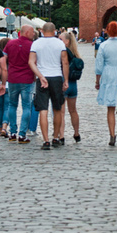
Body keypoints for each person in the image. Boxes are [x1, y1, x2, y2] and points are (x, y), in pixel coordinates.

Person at [29, 22, 69, 150]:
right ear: (54, 31)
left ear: (42, 30)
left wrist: (40, 76)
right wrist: (66, 80)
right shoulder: (59, 43)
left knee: (43, 110)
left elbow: (31, 62)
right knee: (57, 109)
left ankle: (45, 140)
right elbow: (65, 62)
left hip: (43, 78)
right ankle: (56, 137)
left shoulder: (36, 43)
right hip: (56, 77)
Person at [3, 25, 36, 144]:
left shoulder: (10, 44)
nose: (34, 34)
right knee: (26, 106)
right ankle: (22, 134)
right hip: (27, 79)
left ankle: (12, 132)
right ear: (27, 32)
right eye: (32, 32)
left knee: (12, 105)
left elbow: (3, 59)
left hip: (12, 78)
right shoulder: (32, 45)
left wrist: (3, 74)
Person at [59, 31, 83, 142]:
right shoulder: (75, 54)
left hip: (64, 82)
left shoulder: (63, 52)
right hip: (73, 84)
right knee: (73, 111)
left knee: (61, 112)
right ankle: (76, 133)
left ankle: (61, 136)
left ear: (67, 42)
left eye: (60, 39)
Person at [0, 37, 10, 138]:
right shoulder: (11, 57)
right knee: (7, 107)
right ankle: (4, 127)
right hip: (9, 84)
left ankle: (0, 129)